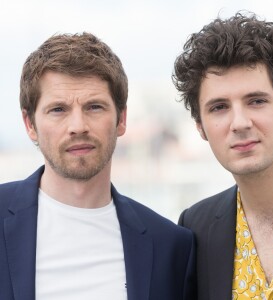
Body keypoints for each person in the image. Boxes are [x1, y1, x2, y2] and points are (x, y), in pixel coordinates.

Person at [0, 32, 196, 300]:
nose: (78, 126)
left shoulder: (170, 246)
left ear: (121, 119)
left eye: (94, 107)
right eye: (58, 109)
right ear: (30, 125)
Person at [173, 12, 273, 299]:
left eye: (256, 101)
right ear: (201, 127)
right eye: (219, 107)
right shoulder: (196, 227)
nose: (240, 123)